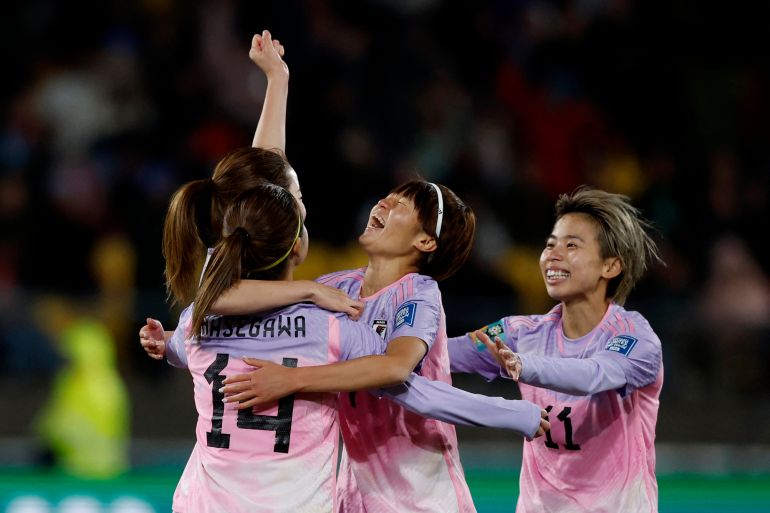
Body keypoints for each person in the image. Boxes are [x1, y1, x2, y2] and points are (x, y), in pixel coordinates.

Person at [142, 31, 548, 513]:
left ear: (426, 242)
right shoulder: (330, 312)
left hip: (413, 495)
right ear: (295, 244)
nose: (385, 201)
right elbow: (404, 381)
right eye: (299, 208)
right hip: (342, 493)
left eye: (403, 204)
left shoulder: (208, 318)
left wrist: (174, 342)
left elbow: (398, 368)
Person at [167, 183, 395, 512]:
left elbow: (175, 349)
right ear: (298, 248)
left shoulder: (196, 322)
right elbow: (397, 364)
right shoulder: (330, 328)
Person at [454, 186, 664, 512]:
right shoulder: (520, 333)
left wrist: (525, 364)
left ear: (610, 267)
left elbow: (595, 375)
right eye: (550, 244)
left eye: (571, 246)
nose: (553, 254)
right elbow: (439, 354)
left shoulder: (636, 338)